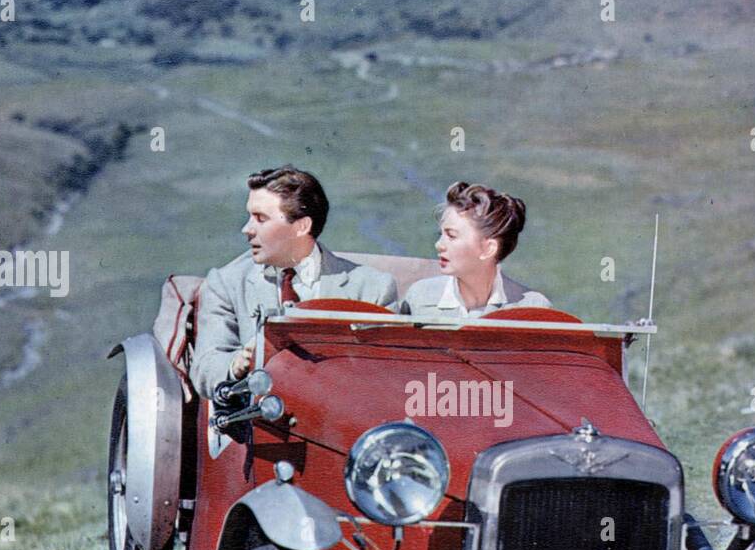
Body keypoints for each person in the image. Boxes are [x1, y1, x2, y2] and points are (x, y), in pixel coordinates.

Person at [190, 166, 396, 397]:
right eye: (250, 217)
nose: (246, 229)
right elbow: (205, 370)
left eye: (260, 219)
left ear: (302, 226)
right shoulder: (225, 283)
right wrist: (238, 364)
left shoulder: (372, 288)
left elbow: (385, 379)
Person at [399, 181, 551, 317]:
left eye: (451, 236)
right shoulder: (419, 298)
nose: (439, 245)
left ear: (488, 249)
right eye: (441, 234)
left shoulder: (535, 308)